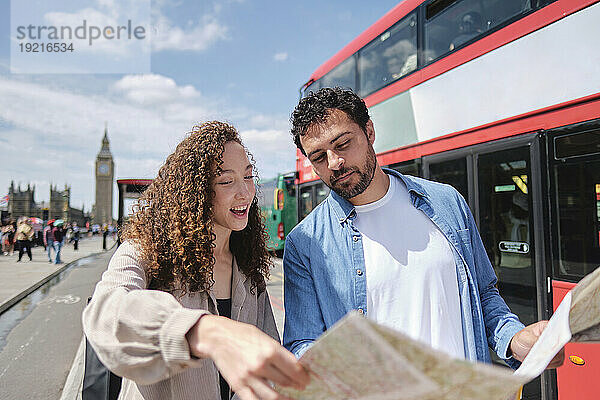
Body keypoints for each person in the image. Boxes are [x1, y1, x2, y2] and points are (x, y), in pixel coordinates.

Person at [283, 87, 564, 370]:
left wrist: (514, 338)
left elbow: (482, 294)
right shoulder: (305, 242)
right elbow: (302, 342)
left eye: (343, 144)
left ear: (369, 132)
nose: (334, 163)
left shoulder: (446, 201)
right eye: (319, 157)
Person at [82, 121, 309, 400]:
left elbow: (267, 359)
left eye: (248, 177)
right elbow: (105, 313)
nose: (245, 193)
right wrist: (201, 331)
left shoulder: (248, 268)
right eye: (226, 181)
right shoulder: (146, 250)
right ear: (196, 192)